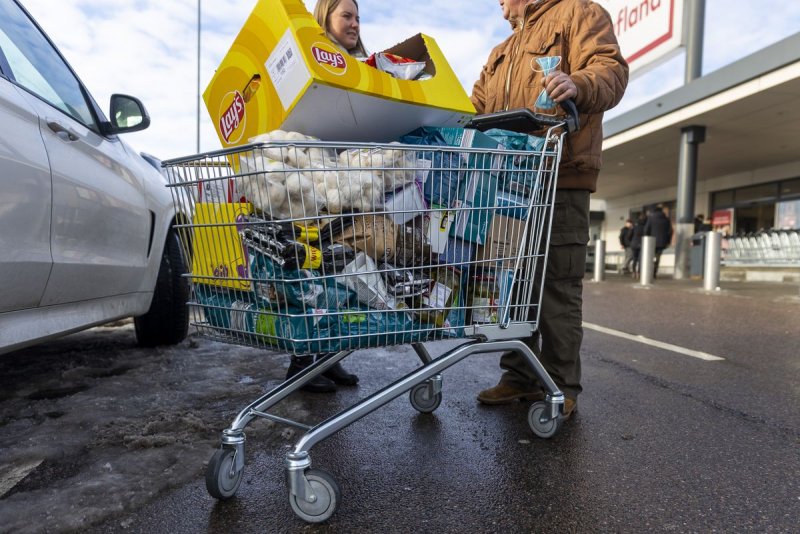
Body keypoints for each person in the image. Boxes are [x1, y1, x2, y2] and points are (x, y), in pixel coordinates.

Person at [473, 0, 628, 419]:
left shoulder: (580, 13)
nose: (500, 8)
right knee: (513, 280)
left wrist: (578, 84)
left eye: (502, 1)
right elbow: (475, 105)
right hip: (509, 183)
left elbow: (610, 70)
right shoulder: (501, 52)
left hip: (560, 174)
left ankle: (561, 385)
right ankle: (519, 376)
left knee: (557, 283)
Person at [286, 0, 370, 392]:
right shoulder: (313, 62)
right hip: (312, 180)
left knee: (342, 272)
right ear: (326, 19)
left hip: (346, 183)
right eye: (346, 16)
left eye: (357, 17)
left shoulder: (363, 67)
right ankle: (301, 363)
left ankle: (329, 356)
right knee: (311, 272)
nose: (354, 23)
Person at [644, 204, 673, 279]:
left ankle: (648, 271)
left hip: (651, 242)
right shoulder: (666, 219)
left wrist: (647, 238)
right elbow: (670, 231)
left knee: (650, 256)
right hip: (662, 242)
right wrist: (668, 241)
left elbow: (646, 230)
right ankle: (654, 271)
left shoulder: (651, 218)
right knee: (657, 257)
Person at [630, 212, 647, 279]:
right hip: (642, 244)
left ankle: (633, 272)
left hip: (634, 244)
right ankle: (639, 273)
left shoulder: (634, 225)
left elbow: (629, 235)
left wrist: (631, 241)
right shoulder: (645, 226)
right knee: (640, 259)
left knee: (634, 258)